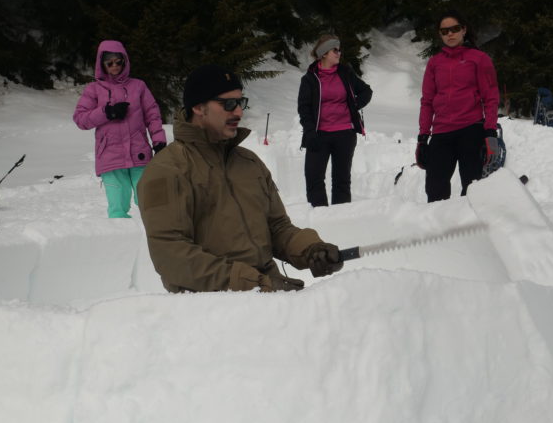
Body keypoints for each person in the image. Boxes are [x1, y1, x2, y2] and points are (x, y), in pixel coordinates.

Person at [137, 64, 345, 293]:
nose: (238, 112)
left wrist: (311, 249)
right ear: (198, 107)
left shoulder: (249, 163)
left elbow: (277, 227)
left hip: (269, 292)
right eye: (228, 104)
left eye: (240, 102)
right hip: (209, 307)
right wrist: (251, 283)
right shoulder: (167, 170)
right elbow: (171, 255)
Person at [73, 40, 166, 218]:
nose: (114, 66)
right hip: (110, 157)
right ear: (102, 64)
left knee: (152, 203)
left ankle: (157, 241)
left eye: (118, 61)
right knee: (117, 208)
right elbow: (80, 119)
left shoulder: (138, 86)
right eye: (109, 62)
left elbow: (152, 115)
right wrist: (107, 112)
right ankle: (120, 242)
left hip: (140, 154)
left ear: (125, 61)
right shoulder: (93, 89)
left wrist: (159, 141)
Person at [416, 11, 501, 203]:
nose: (450, 34)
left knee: (472, 190)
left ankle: (471, 229)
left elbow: (491, 97)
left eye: (454, 29)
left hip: (471, 130)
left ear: (464, 30)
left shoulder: (479, 59)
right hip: (441, 133)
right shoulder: (434, 63)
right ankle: (441, 230)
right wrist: (423, 137)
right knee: (435, 190)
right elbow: (427, 102)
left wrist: (490, 132)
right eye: (444, 31)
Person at [297, 34, 373, 207]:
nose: (339, 53)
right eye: (335, 50)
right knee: (314, 179)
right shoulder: (309, 79)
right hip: (319, 136)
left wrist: (353, 107)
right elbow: (304, 108)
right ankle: (320, 219)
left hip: (344, 135)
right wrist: (310, 132)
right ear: (324, 53)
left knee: (341, 181)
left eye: (339, 50)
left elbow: (366, 91)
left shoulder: (345, 73)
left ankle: (341, 221)